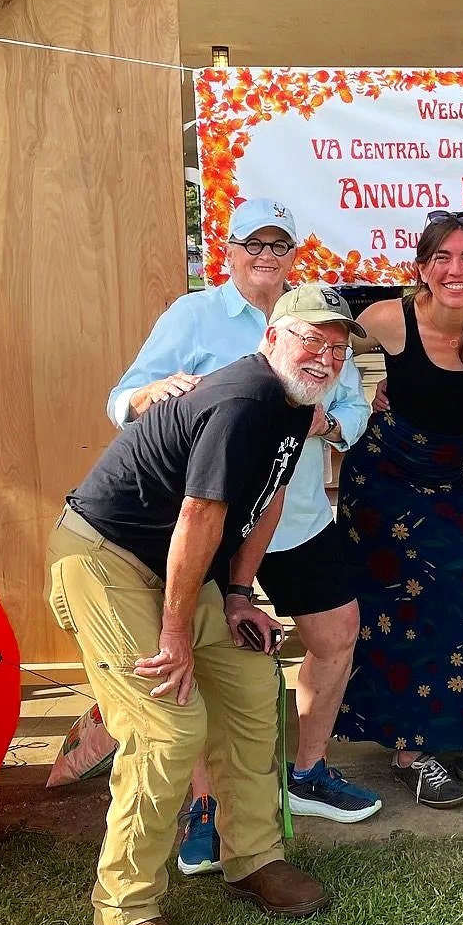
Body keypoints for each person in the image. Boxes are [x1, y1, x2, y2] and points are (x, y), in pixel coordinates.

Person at [49, 284, 359, 925]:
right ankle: (124, 908)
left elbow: (272, 495)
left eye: (338, 348)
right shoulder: (245, 397)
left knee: (254, 691)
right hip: (109, 561)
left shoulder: (295, 406)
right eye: (313, 340)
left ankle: (252, 859)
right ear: (273, 338)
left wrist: (242, 593)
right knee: (168, 726)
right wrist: (177, 634)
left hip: (186, 571)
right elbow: (198, 514)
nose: (326, 357)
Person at [107, 197, 380, 865]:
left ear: (293, 255)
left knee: (336, 632)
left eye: (277, 245)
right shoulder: (191, 314)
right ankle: (206, 805)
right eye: (251, 245)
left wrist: (333, 424)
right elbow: (126, 397)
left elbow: (353, 404)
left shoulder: (318, 313)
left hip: (296, 511)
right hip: (208, 520)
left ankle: (307, 771)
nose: (264, 257)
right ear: (225, 252)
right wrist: (151, 394)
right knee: (197, 656)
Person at [335, 212, 463, 808]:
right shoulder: (388, 319)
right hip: (382, 479)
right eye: (442, 258)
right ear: (421, 268)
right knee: (396, 609)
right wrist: (343, 408)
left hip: (445, 479)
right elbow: (328, 351)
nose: (455, 269)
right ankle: (412, 751)